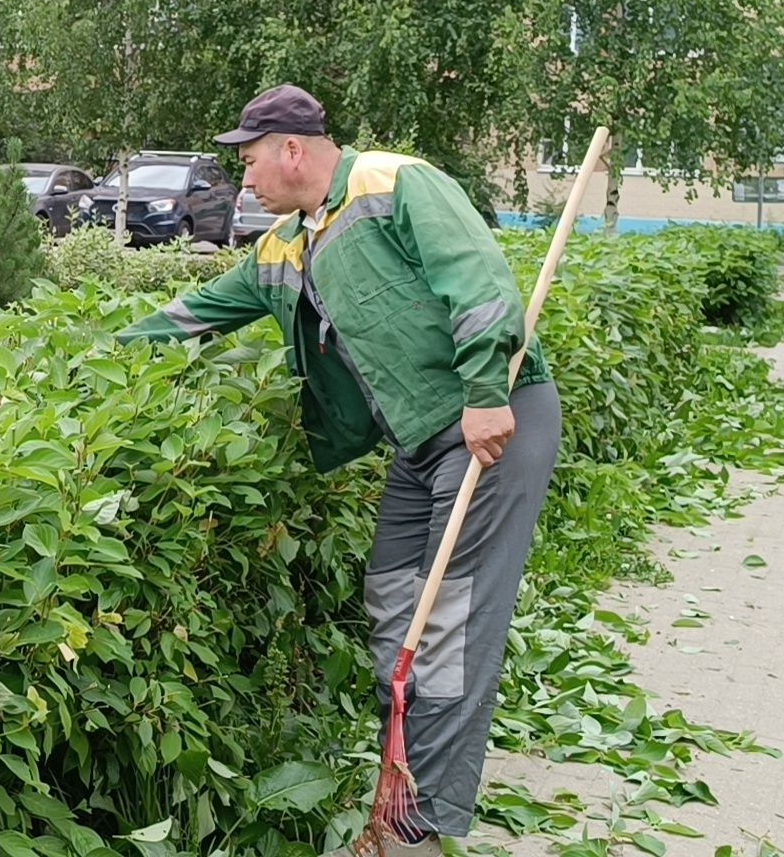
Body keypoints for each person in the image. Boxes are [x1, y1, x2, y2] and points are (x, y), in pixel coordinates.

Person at [115, 84, 562, 856]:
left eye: (249, 162)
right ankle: (405, 772)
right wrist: (94, 354)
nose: (243, 182)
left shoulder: (393, 184)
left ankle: (424, 824)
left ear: (292, 150)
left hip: (492, 425)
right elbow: (193, 314)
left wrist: (488, 396)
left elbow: (482, 287)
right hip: (420, 443)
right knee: (394, 602)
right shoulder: (285, 245)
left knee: (453, 623)